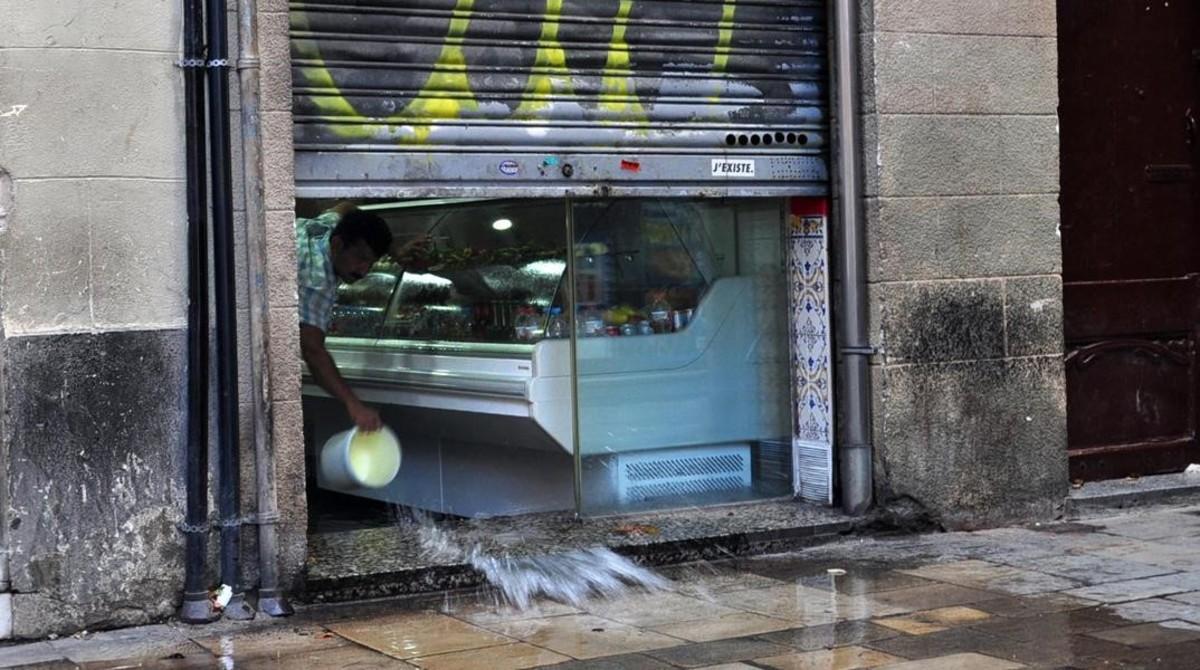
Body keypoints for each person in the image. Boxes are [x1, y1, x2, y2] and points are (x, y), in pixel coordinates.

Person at [296, 202, 419, 431]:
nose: (364, 271)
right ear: (337, 245)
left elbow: (348, 206)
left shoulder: (328, 226)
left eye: (370, 263)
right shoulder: (316, 280)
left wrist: (397, 253)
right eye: (360, 258)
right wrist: (354, 405)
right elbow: (312, 350)